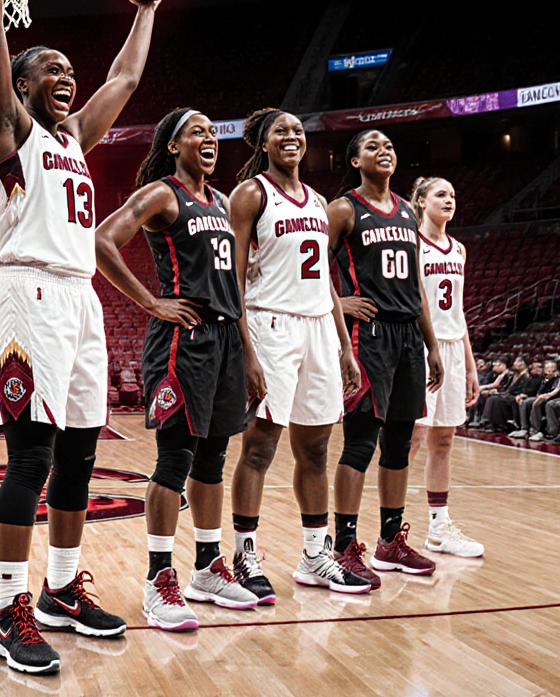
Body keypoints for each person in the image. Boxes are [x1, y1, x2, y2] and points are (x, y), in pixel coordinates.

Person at [0, 0, 160, 673]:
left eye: (68, 68)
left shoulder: (74, 138)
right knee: (30, 460)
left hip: (79, 300)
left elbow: (125, 78)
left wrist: (146, 5)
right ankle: (7, 609)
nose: (67, 75)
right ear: (20, 86)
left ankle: (58, 592)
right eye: (50, 67)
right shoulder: (9, 130)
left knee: (80, 457)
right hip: (25, 296)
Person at [95, 109, 258, 633]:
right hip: (181, 340)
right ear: (173, 145)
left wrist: (248, 353)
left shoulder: (224, 201)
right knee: (175, 459)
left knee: (213, 458)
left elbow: (233, 288)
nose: (209, 138)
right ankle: (157, 579)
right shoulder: (163, 194)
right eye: (198, 132)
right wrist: (152, 303)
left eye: (213, 132)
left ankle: (208, 567)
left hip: (224, 337)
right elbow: (102, 240)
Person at [226, 109, 368, 602]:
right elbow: (234, 279)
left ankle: (313, 555)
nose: (291, 137)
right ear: (263, 144)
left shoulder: (319, 203)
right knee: (260, 447)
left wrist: (345, 346)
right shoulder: (251, 195)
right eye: (280, 131)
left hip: (318, 332)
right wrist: (247, 352)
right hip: (270, 325)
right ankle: (245, 555)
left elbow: (326, 280)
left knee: (316, 449)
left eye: (298, 131)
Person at [330, 129, 444, 584]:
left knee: (399, 445)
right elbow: (310, 268)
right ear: (355, 160)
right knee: (360, 443)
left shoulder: (408, 212)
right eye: (373, 146)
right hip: (369, 336)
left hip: (407, 338)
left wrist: (432, 344)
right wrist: (339, 304)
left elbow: (416, 283)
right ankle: (342, 546)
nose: (384, 151)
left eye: (390, 146)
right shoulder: (343, 209)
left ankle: (390, 542)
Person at [406, 177, 483, 558]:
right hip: (421, 349)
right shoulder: (412, 244)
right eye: (440, 194)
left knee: (444, 440)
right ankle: (392, 528)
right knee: (413, 438)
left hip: (453, 350)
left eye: (453, 195)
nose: (449, 200)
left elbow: (458, 312)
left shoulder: (459, 250)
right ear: (421, 202)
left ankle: (438, 527)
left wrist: (470, 365)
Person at [510, 361, 560, 439]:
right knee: (525, 401)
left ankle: (536, 430)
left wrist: (541, 397)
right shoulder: (541, 378)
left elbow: (555, 392)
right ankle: (524, 428)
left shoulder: (557, 379)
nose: (549, 371)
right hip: (539, 396)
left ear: (556, 370)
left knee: (538, 403)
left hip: (550, 398)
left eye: (551, 369)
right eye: (547, 368)